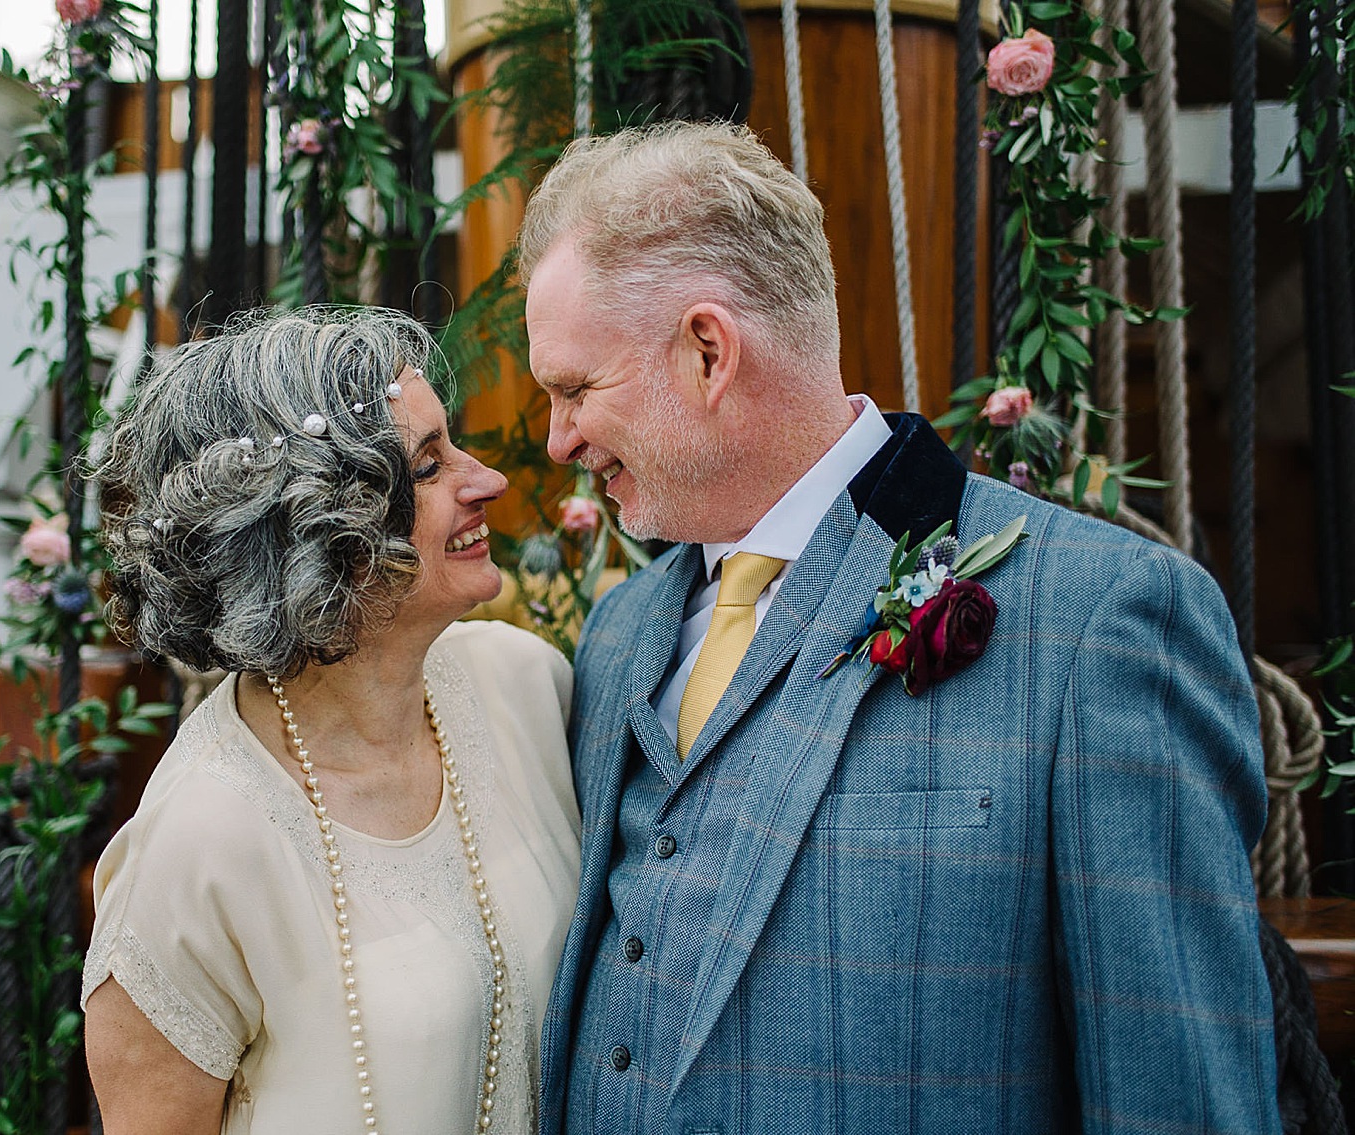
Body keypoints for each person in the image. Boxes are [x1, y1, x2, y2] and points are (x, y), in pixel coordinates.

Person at [520, 121, 1279, 1134]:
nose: (555, 436)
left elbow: (1176, 1096)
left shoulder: (1099, 618)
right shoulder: (617, 633)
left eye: (574, 387)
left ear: (708, 350)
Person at [81, 307, 580, 1135]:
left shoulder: (528, 690)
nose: (484, 478)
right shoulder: (198, 842)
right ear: (318, 533)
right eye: (428, 466)